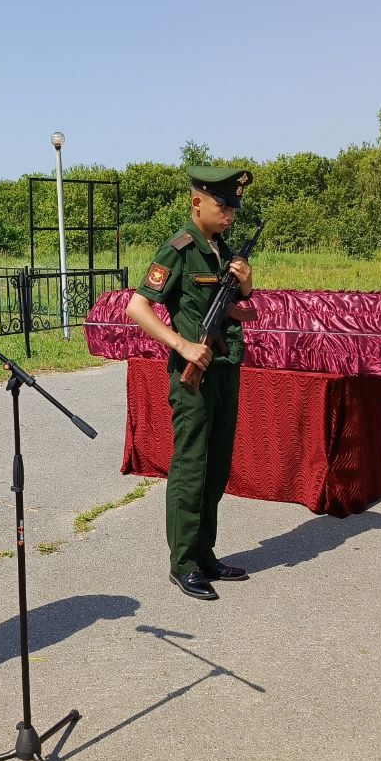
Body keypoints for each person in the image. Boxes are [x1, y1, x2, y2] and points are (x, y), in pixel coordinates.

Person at [125, 166, 255, 601]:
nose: (230, 213)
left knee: (218, 464)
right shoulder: (178, 249)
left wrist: (247, 285)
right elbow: (137, 307)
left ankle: (204, 553)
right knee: (191, 466)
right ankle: (182, 563)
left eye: (234, 207)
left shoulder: (222, 249)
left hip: (225, 367)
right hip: (193, 378)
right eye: (223, 205)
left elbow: (236, 308)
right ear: (196, 201)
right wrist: (181, 345)